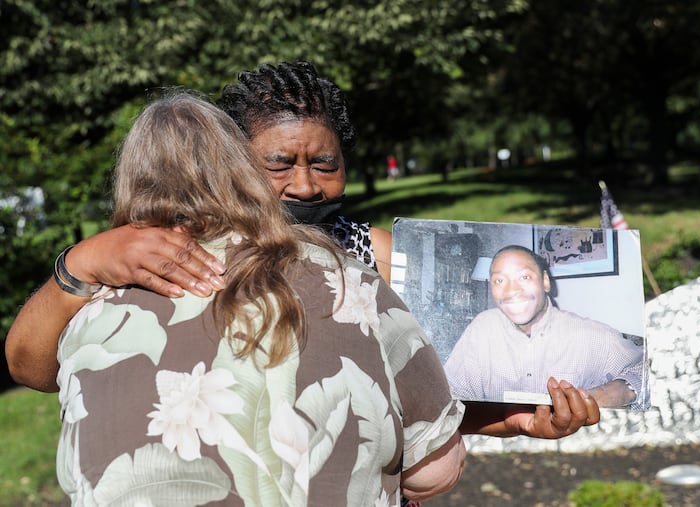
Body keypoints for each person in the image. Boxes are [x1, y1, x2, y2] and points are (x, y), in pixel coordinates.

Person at [52, 92, 467, 505]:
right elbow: (433, 466)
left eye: (325, 163)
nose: (305, 187)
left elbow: (425, 391)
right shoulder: (124, 269)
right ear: (237, 165)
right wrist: (81, 262)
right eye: (278, 163)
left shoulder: (367, 260)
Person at [444, 245, 644, 408]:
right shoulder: (483, 328)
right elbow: (451, 394)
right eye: (499, 280)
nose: (511, 290)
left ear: (546, 282)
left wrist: (616, 391)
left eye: (524, 277)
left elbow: (646, 371)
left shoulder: (589, 335)